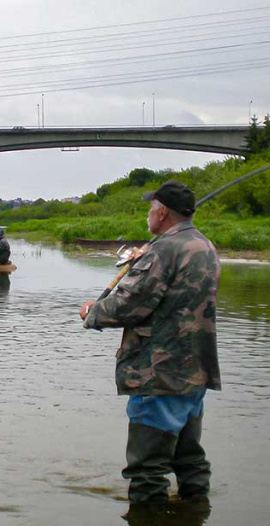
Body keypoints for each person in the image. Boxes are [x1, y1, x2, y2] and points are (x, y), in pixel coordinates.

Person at [79, 180, 221, 504]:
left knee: (147, 471)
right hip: (195, 370)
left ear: (162, 212)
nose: (148, 214)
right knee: (190, 461)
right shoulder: (205, 246)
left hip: (159, 373)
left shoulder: (163, 251)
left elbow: (131, 304)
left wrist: (92, 312)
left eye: (150, 208)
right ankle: (192, 525)